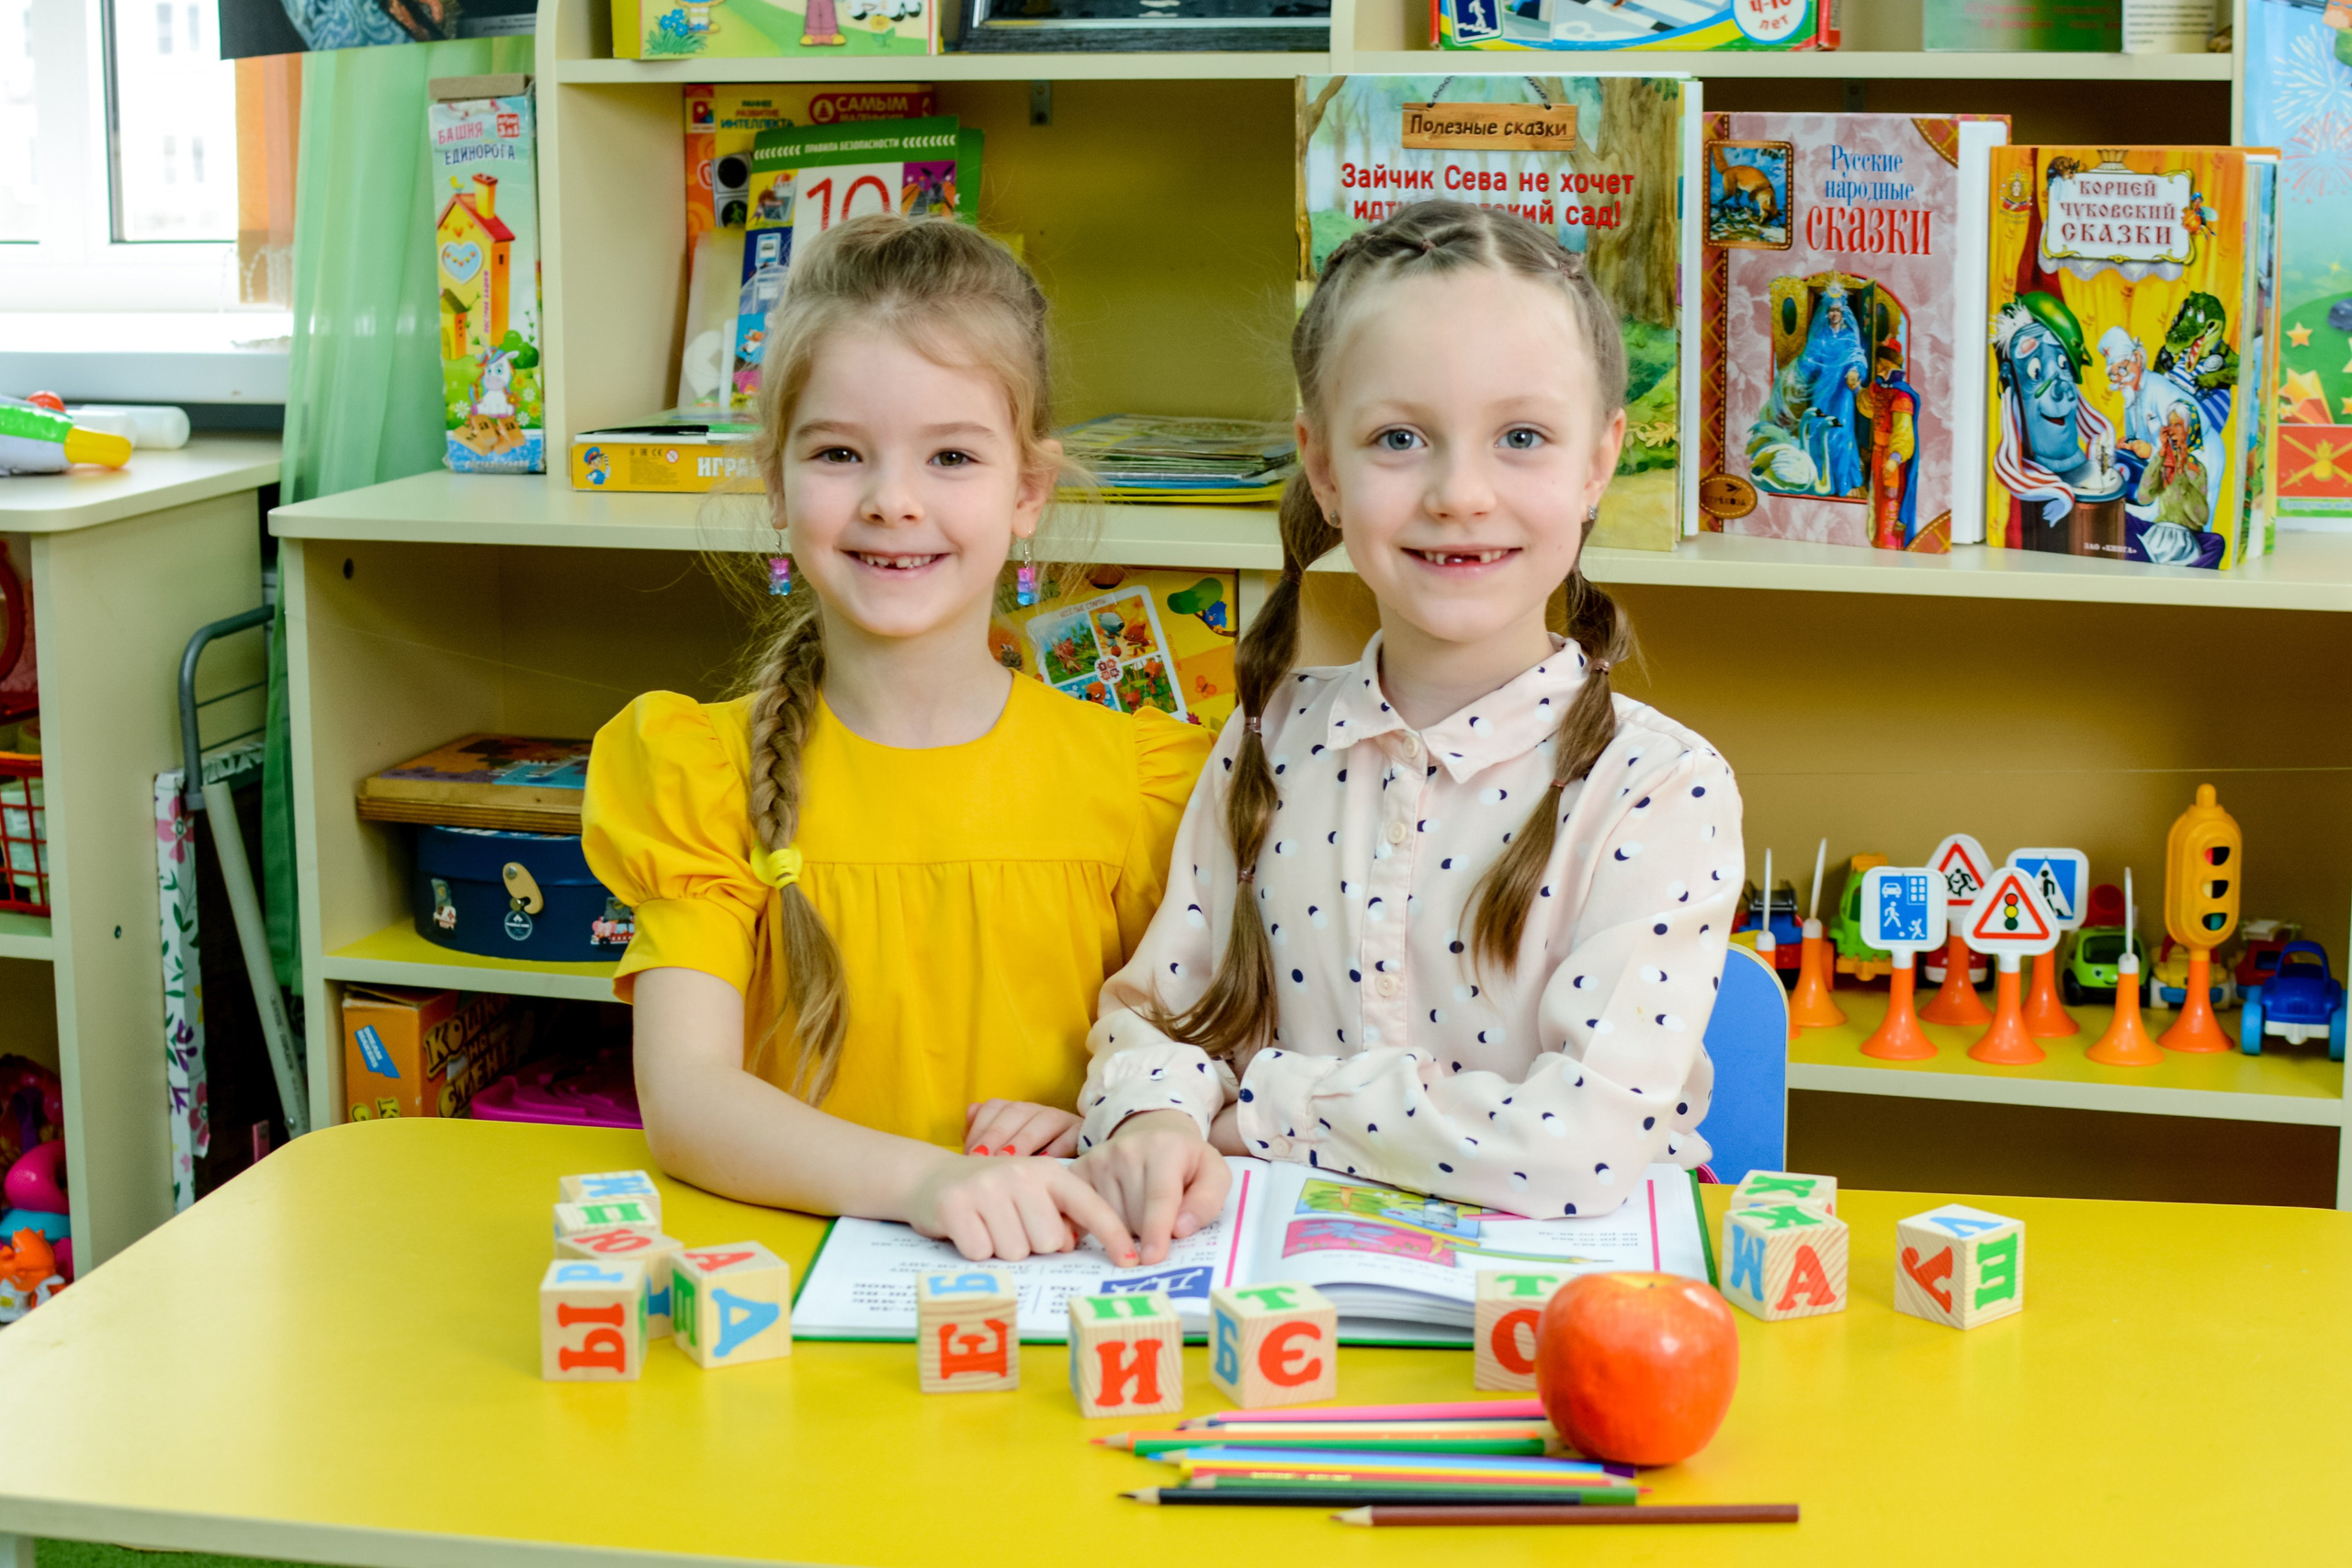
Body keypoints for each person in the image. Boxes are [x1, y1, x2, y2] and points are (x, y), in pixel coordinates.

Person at [1072, 201, 1745, 1263]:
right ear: (1322, 468)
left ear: (1597, 462)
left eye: (1520, 438)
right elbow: (1156, 1020)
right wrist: (1154, 1117)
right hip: (1285, 1283)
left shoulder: (1658, 786)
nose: (1459, 494)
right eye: (1398, 439)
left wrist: (1254, 1109)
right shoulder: (1266, 736)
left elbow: (1576, 1149)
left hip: (1570, 1294)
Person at [582, 215, 1212, 1263]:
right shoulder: (705, 774)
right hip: (788, 1287)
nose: (892, 501)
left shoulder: (1138, 781)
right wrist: (929, 1182)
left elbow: (1195, 1064)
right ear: (775, 482)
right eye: (839, 454)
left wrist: (1111, 1119)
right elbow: (687, 1100)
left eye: (951, 456)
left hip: (1055, 1282)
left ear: (1028, 491)